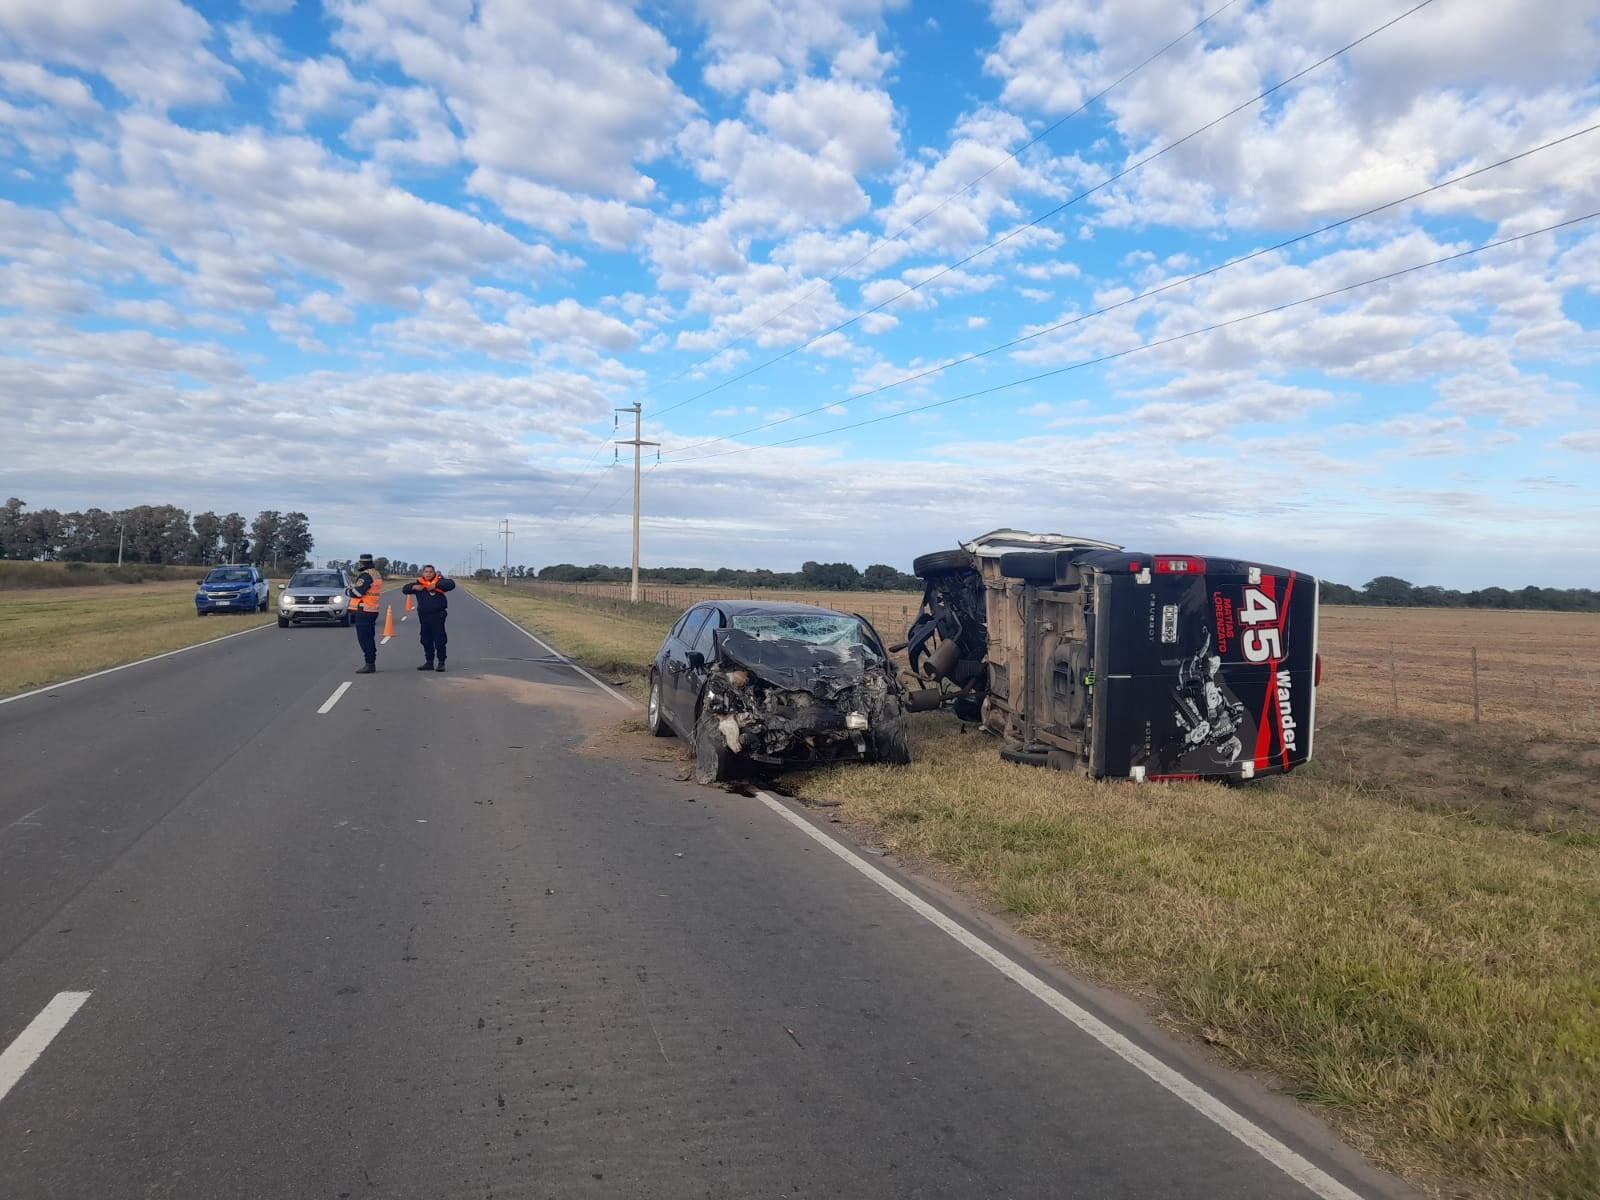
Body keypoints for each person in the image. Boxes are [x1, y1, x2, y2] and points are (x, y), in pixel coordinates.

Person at [401, 565, 455, 671]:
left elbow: (451, 584)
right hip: (424, 616)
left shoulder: (440, 582)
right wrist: (413, 587)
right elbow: (404, 589)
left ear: (434, 573)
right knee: (426, 639)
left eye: (430, 572)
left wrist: (435, 585)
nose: (428, 574)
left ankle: (441, 662)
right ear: (423, 573)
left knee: (439, 639)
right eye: (426, 572)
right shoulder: (419, 583)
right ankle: (429, 662)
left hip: (438, 615)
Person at [346, 553, 383, 674]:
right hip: (371, 609)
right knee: (369, 638)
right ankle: (370, 662)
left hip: (364, 610)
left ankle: (369, 664)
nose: (359, 564)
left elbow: (357, 593)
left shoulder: (366, 575)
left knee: (364, 639)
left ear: (363, 563)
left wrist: (349, 590)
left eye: (360, 563)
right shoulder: (376, 573)